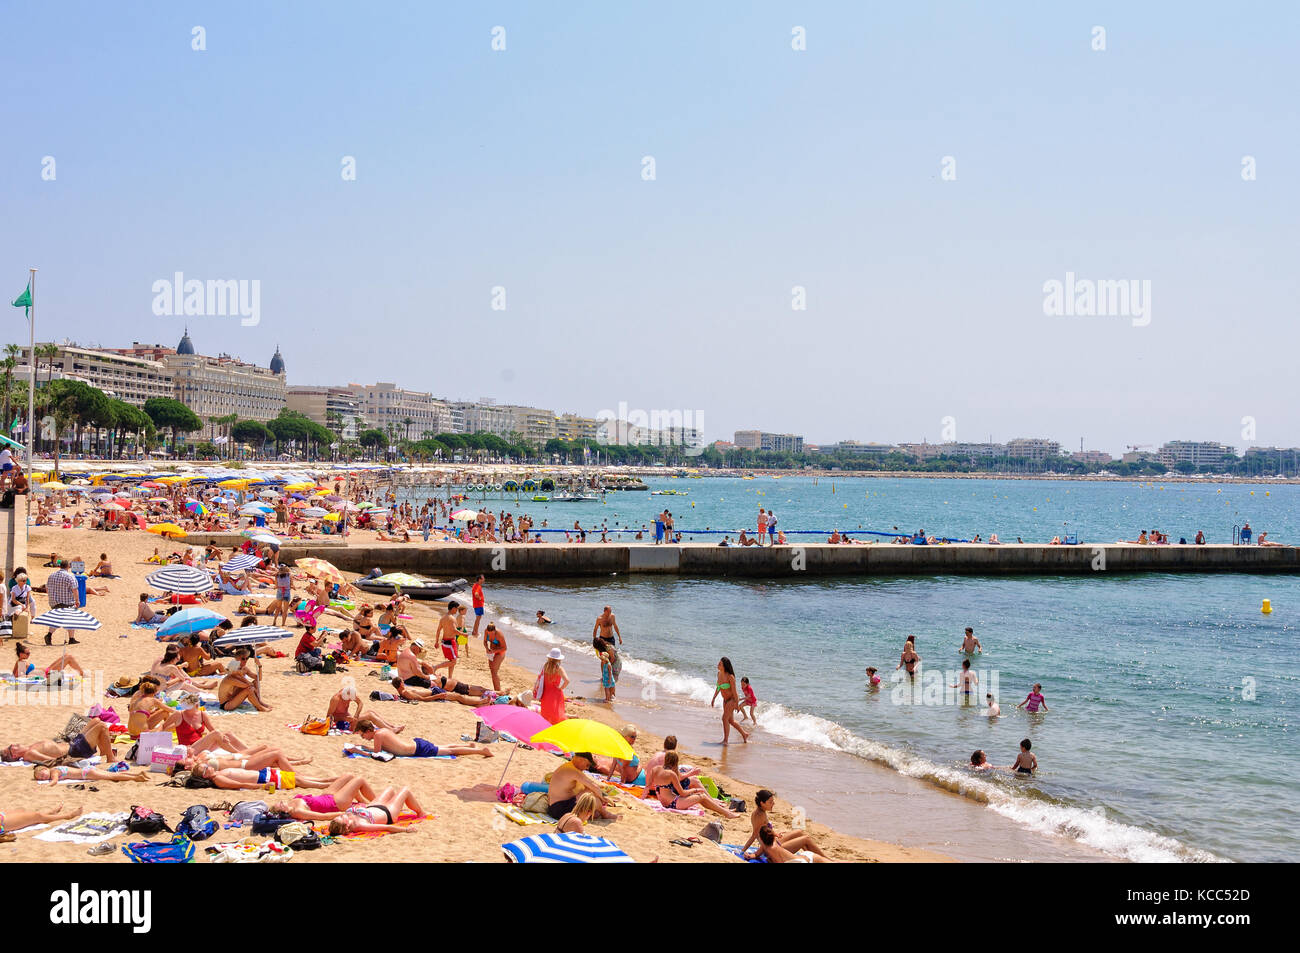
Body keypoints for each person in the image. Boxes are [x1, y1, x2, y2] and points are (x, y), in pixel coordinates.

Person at [645, 751, 738, 817]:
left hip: (664, 802)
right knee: (702, 796)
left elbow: (647, 786)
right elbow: (682, 793)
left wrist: (641, 799)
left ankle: (725, 811)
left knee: (700, 797)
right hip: (672, 803)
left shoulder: (656, 769)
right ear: (675, 762)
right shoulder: (671, 774)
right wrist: (696, 790)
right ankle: (727, 813)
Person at [741, 789, 829, 858]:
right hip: (770, 848)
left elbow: (763, 831)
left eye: (773, 801)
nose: (773, 804)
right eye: (770, 802)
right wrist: (749, 852)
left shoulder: (762, 812)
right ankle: (825, 859)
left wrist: (775, 834)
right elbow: (755, 835)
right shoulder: (759, 816)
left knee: (799, 832)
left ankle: (819, 858)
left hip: (774, 841)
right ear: (762, 803)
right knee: (805, 840)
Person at [354, 721, 492, 759]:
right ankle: (468, 745)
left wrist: (358, 750)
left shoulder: (377, 736)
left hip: (417, 749)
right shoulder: (381, 731)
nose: (363, 738)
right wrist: (365, 747)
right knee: (443, 746)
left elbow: (376, 753)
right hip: (415, 744)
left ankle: (481, 751)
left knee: (450, 751)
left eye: (362, 735)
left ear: (368, 731)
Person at [2, 720, 118, 763]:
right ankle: (111, 758)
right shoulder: (29, 753)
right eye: (12, 747)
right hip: (75, 751)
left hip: (73, 744)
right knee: (102, 726)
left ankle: (104, 752)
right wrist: (73, 762)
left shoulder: (30, 748)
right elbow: (50, 761)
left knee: (96, 720)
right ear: (15, 754)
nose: (15, 744)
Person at [546, 752, 619, 821]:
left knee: (590, 793)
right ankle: (605, 814)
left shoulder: (568, 766)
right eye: (587, 765)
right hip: (558, 809)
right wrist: (602, 799)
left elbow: (589, 786)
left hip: (554, 808)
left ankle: (599, 812)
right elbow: (594, 786)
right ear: (581, 760)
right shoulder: (572, 770)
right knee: (590, 795)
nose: (587, 768)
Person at [326, 786, 427, 835]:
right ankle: (421, 813)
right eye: (340, 817)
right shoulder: (360, 825)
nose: (340, 815)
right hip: (388, 813)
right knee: (405, 791)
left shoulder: (347, 817)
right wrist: (405, 829)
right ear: (347, 825)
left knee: (390, 789)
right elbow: (385, 827)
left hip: (374, 806)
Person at [327, 677, 402, 732]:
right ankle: (391, 730)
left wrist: (356, 714)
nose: (350, 701)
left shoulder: (350, 692)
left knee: (371, 711)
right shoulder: (336, 699)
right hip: (341, 722)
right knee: (370, 715)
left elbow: (360, 703)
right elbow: (329, 717)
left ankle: (391, 726)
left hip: (350, 719)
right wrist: (344, 718)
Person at [218, 647, 272, 712]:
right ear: (237, 660)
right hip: (226, 704)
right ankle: (260, 707)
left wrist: (259, 666)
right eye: (243, 659)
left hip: (234, 698)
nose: (245, 660)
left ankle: (260, 702)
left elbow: (259, 678)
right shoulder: (230, 678)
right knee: (249, 689)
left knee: (255, 682)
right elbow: (248, 686)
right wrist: (241, 676)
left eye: (247, 658)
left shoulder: (244, 669)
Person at [43, 559, 81, 646]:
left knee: (57, 619)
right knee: (70, 619)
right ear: (68, 567)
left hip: (54, 602)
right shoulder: (70, 576)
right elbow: (75, 589)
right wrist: (77, 600)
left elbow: (47, 588)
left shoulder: (51, 575)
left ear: (59, 566)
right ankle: (71, 638)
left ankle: (50, 635)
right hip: (67, 602)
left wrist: (51, 598)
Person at [711, 657, 748, 743]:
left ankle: (725, 740)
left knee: (724, 718)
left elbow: (735, 693)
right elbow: (718, 687)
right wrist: (713, 698)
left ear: (724, 666)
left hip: (732, 700)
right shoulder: (719, 674)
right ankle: (744, 734)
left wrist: (737, 704)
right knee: (730, 721)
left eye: (720, 664)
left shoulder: (730, 677)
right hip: (725, 700)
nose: (718, 665)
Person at [13, 643, 84, 680]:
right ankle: (82, 674)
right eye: (27, 653)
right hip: (48, 674)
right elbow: (18, 677)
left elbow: (13, 673)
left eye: (29, 653)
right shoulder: (22, 663)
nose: (29, 655)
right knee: (69, 657)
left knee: (67, 655)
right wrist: (31, 676)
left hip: (48, 670)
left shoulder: (19, 662)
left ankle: (82, 673)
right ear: (21, 654)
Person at [33, 761, 148, 784]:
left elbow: (54, 781)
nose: (43, 778)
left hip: (86, 774)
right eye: (41, 779)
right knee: (111, 775)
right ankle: (136, 775)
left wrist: (47, 785)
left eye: (42, 775)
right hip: (87, 770)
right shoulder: (55, 768)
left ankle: (135, 778)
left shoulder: (54, 772)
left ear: (45, 769)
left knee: (112, 776)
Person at [537, 648, 569, 724]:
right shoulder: (559, 669)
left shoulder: (545, 667)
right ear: (559, 659)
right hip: (555, 693)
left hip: (545, 692)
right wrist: (561, 688)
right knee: (556, 712)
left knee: (545, 712)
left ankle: (545, 726)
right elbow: (567, 681)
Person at [483, 623, 507, 692]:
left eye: (492, 634)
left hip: (500, 652)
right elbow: (485, 641)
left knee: (494, 671)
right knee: (492, 670)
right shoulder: (486, 631)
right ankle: (496, 690)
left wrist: (494, 651)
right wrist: (487, 648)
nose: (490, 635)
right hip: (491, 652)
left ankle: (498, 691)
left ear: (495, 631)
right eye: (489, 634)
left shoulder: (499, 634)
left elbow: (505, 648)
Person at [469, 574, 486, 646]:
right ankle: (475, 632)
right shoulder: (478, 586)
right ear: (479, 579)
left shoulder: (475, 585)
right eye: (483, 578)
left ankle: (474, 631)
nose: (484, 579)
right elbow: (476, 594)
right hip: (478, 605)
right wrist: (480, 598)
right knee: (478, 619)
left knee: (477, 619)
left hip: (476, 605)